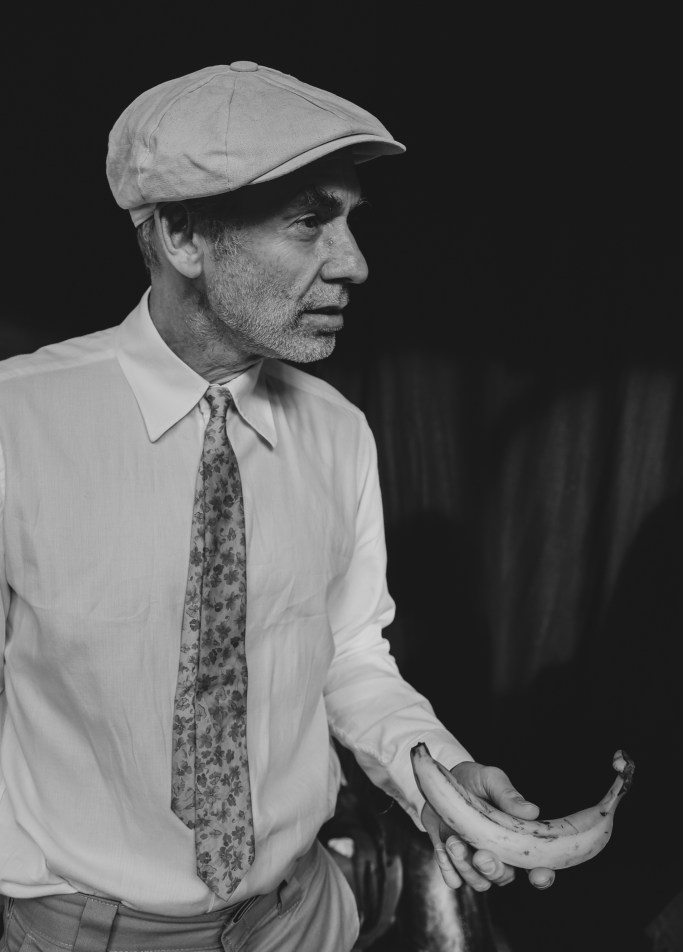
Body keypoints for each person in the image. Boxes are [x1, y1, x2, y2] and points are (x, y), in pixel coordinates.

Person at [0, 61, 554, 952]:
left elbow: (348, 656)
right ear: (182, 234)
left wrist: (438, 778)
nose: (354, 262)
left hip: (304, 919)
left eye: (350, 220)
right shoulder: (15, 425)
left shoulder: (337, 432)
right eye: (308, 222)